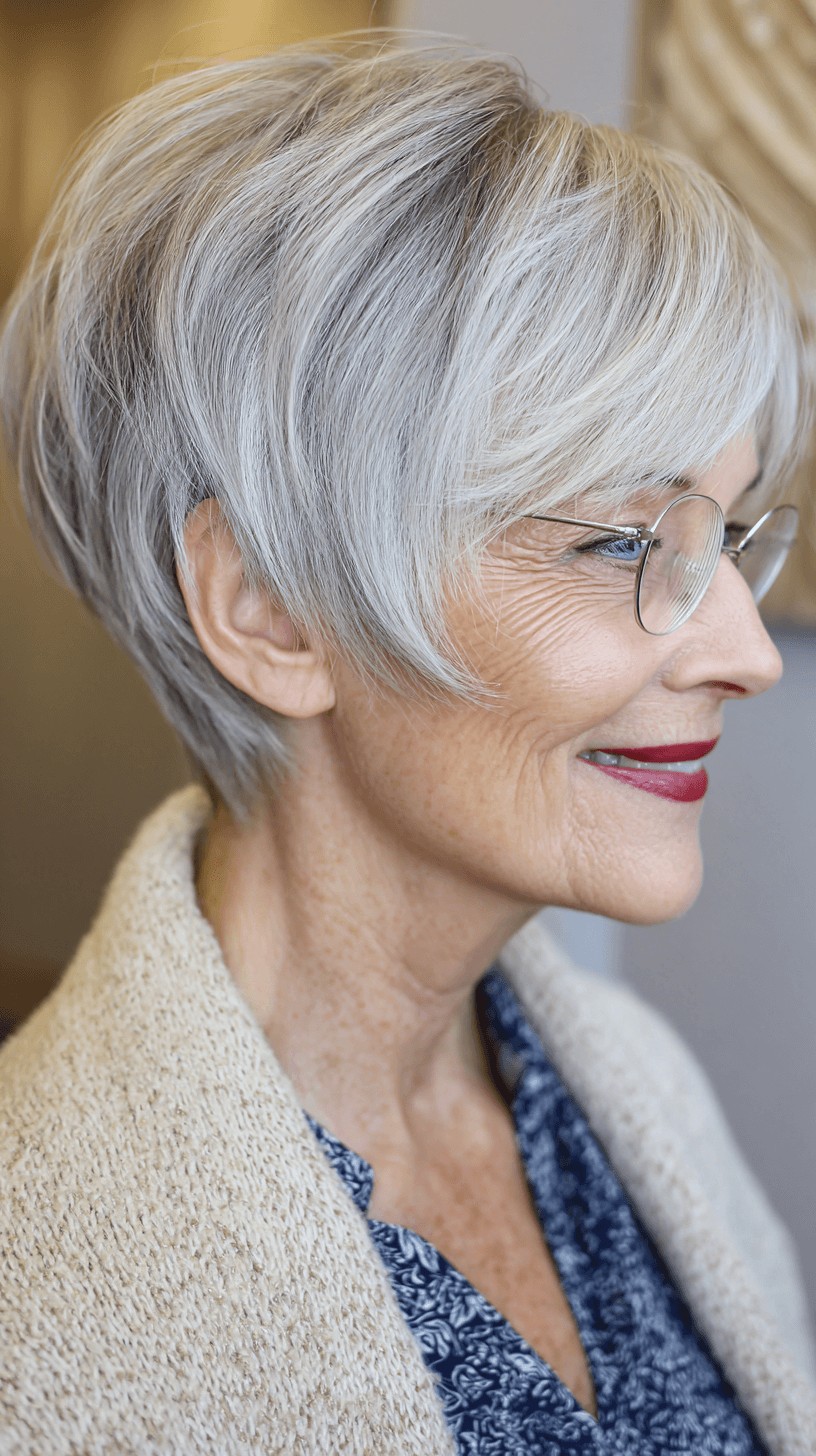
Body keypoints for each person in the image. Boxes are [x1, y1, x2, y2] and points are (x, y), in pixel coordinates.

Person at [0, 35, 814, 1456]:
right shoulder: (35, 1309)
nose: (746, 653)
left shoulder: (638, 1093)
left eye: (730, 535)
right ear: (270, 609)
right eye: (627, 540)